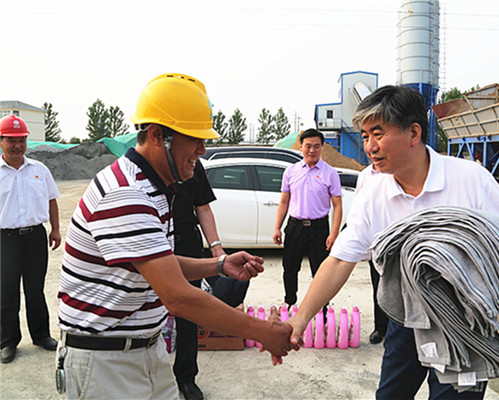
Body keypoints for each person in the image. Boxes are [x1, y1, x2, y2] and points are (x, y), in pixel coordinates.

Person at [56, 73, 296, 399]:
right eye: (194, 138)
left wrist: (218, 265)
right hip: (106, 361)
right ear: (158, 135)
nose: (203, 150)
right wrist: (263, 331)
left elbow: (160, 264)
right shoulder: (126, 194)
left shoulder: (155, 187)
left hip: (143, 349)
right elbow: (178, 297)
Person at [287, 85, 499, 399]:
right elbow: (341, 259)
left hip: (464, 322)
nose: (369, 147)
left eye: (378, 134)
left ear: (414, 133)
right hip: (405, 317)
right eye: (365, 136)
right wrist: (301, 318)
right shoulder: (374, 193)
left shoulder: (470, 180)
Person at [172, 159, 250, 400]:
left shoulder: (193, 164)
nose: (200, 150)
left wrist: (217, 250)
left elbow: (203, 207)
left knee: (189, 310)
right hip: (153, 244)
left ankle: (186, 377)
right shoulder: (143, 168)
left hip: (186, 243)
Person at [0, 115, 61, 364]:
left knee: (35, 290)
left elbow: (52, 199)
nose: (17, 146)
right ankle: (7, 342)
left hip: (35, 237)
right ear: (1, 141)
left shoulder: (39, 170)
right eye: (11, 140)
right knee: (6, 292)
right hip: (5, 240)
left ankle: (41, 335)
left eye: (21, 140)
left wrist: (55, 229)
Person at [272, 128, 342, 309]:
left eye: (316, 146)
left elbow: (337, 205)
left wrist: (334, 233)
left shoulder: (330, 173)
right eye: (308, 146)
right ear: (301, 147)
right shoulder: (291, 171)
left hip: (319, 228)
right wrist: (277, 227)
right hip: (295, 226)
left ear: (322, 148)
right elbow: (284, 201)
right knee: (290, 267)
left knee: (321, 271)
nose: (312, 150)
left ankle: (322, 307)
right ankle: (289, 301)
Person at [355, 163, 389, 345]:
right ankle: (380, 328)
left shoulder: (398, 172)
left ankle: (401, 330)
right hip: (376, 242)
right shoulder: (365, 175)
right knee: (379, 288)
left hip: (400, 241)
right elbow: (360, 208)